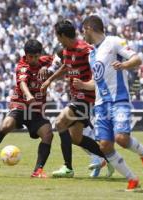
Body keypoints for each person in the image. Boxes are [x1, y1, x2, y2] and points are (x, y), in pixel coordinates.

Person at [82, 15, 143, 191]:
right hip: (100, 104)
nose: (83, 35)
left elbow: (137, 59)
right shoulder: (92, 55)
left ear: (89, 29)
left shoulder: (113, 42)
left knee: (121, 138)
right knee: (105, 146)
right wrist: (82, 85)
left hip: (119, 99)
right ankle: (132, 179)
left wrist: (124, 65)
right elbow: (95, 82)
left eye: (83, 31)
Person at [41, 20, 111, 178]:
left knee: (59, 123)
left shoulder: (86, 50)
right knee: (75, 138)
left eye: (58, 36)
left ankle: (68, 168)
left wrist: (86, 84)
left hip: (86, 98)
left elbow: (99, 72)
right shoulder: (66, 51)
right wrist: (50, 80)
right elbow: (65, 67)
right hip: (76, 97)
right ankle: (111, 159)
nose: (57, 40)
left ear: (63, 35)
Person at [0, 39, 54, 178]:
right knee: (5, 125)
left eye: (36, 56)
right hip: (20, 104)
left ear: (40, 55)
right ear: (25, 55)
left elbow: (59, 56)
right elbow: (22, 83)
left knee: (48, 134)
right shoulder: (22, 66)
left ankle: (37, 170)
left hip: (36, 109)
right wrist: (28, 96)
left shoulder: (45, 61)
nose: (33, 59)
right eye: (30, 57)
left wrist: (48, 68)